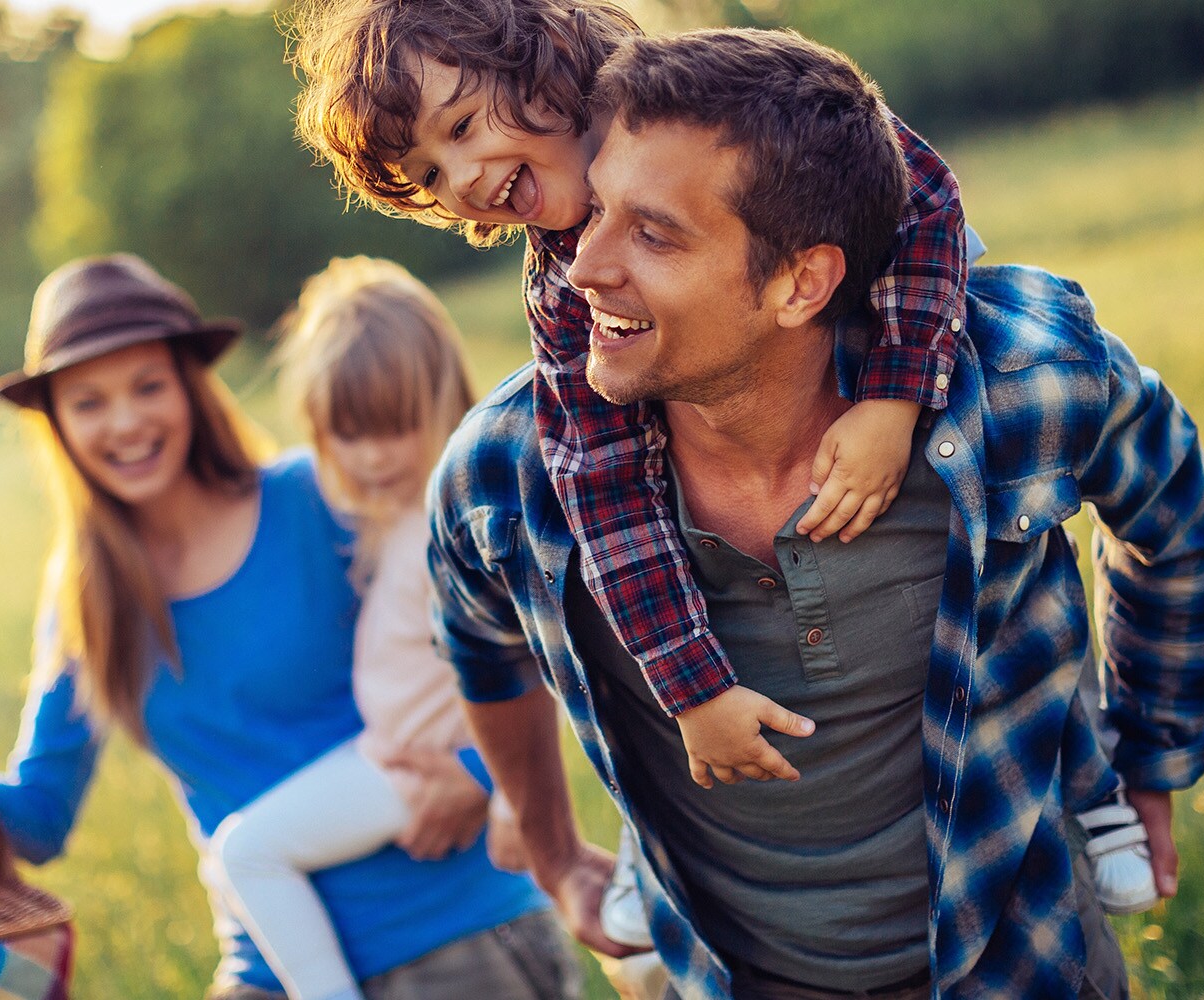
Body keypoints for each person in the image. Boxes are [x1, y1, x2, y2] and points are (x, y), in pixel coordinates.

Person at [285, 0, 1152, 927]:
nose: (461, 177)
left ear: (542, 62)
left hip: (881, 324)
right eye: (426, 172)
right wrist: (691, 689)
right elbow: (604, 492)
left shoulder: (720, 97)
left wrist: (893, 400)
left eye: (462, 127)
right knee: (657, 610)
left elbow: (923, 191)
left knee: (996, 566)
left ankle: (1085, 776)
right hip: (731, 476)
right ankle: (655, 847)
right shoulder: (560, 290)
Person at [0, 253, 579, 1000]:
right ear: (60, 428)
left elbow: (504, 637)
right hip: (268, 970)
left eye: (148, 385)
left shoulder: (321, 499)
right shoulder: (87, 602)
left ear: (191, 389)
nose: (126, 422)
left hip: (452, 943)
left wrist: (483, 778)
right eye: (89, 401)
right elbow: (37, 820)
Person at [189, 256, 482, 1000]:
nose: (374, 454)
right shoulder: (391, 514)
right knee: (230, 859)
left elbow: (540, 659)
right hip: (387, 749)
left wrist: (502, 793)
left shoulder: (454, 525)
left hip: (415, 763)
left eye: (395, 427)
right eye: (349, 434)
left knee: (246, 854)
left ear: (442, 399)